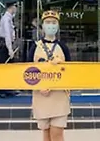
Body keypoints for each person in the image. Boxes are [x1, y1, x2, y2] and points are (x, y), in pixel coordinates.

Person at [28, 10, 71, 140]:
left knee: (57, 134)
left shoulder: (63, 47)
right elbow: (27, 72)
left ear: (57, 26)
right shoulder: (35, 47)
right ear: (42, 26)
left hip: (59, 95)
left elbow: (70, 71)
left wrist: (61, 67)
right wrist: (39, 87)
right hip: (41, 96)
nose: (50, 25)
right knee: (46, 134)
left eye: (53, 22)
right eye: (47, 22)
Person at [0, 1, 18, 98]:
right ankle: (1, 90)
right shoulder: (6, 19)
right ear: (11, 7)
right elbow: (7, 35)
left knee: (10, 68)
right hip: (4, 45)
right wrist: (10, 49)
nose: (16, 8)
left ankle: (9, 89)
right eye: (15, 6)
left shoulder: (9, 18)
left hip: (7, 45)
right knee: (3, 68)